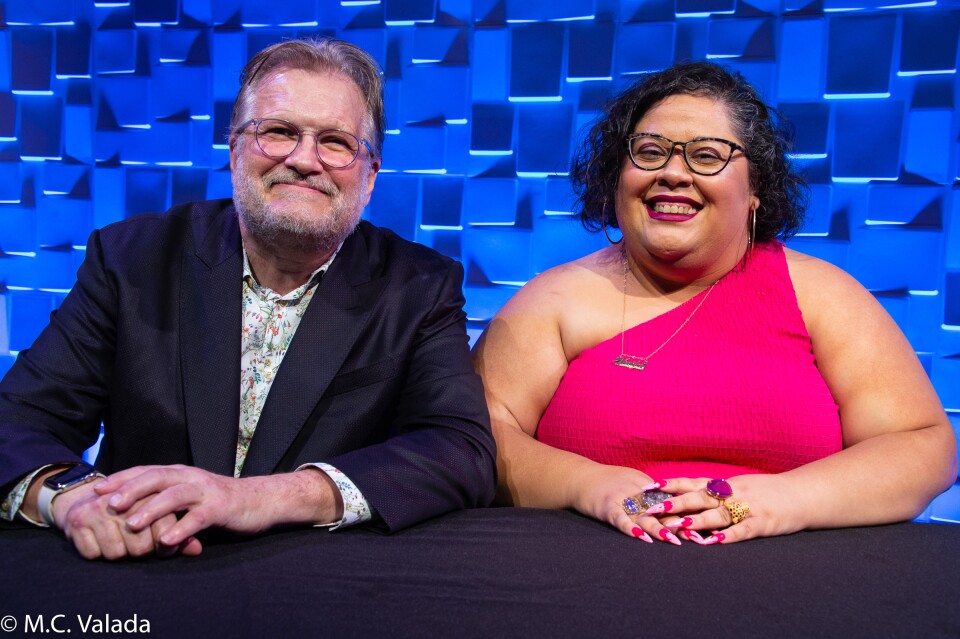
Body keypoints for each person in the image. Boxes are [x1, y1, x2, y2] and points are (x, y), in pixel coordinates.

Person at [0, 37, 496, 559]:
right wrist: (71, 498)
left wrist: (262, 497)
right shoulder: (131, 260)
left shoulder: (420, 286)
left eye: (335, 142)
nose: (304, 160)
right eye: (279, 132)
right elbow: (16, 424)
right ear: (234, 149)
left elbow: (459, 452)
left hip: (318, 579)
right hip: (144, 567)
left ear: (370, 175)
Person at [472, 62, 957, 545]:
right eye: (649, 152)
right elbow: (473, 435)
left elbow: (922, 446)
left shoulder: (823, 296)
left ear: (755, 188)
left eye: (706, 156)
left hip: (792, 575)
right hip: (584, 567)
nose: (672, 173)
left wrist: (784, 499)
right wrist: (587, 486)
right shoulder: (553, 300)